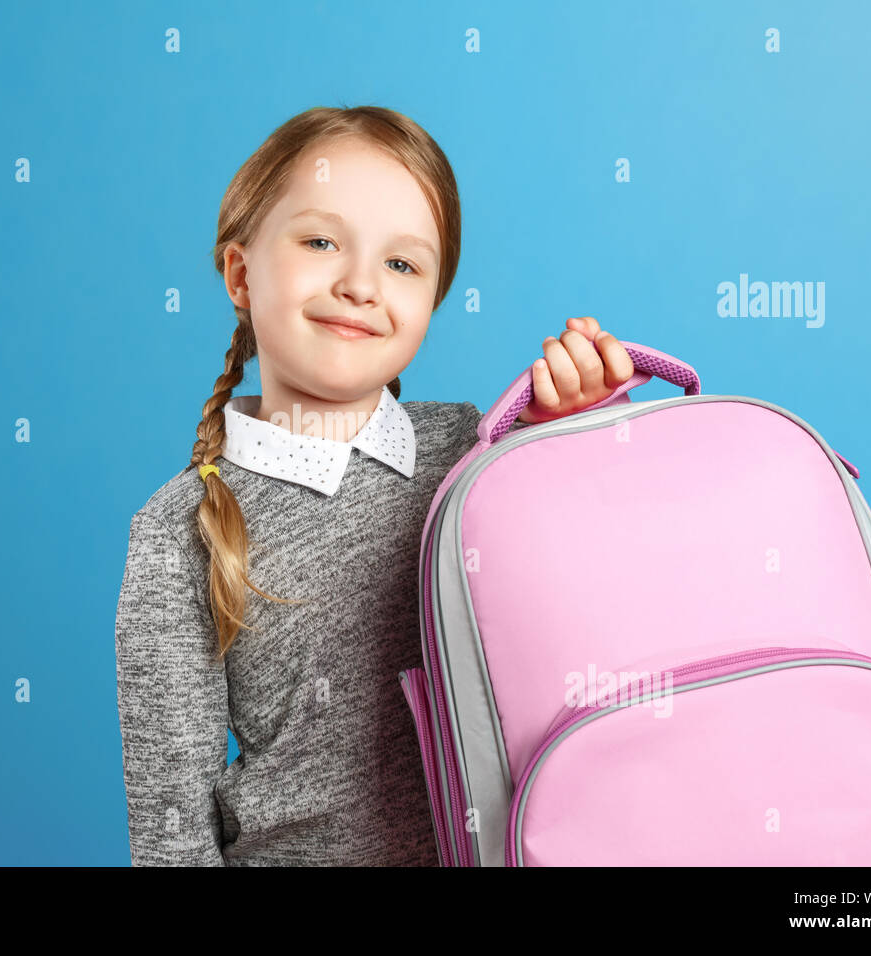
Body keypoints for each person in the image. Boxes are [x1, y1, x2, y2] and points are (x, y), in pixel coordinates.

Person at [114, 105, 635, 865]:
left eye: (402, 264)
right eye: (321, 241)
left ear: (429, 304)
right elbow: (171, 831)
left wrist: (573, 438)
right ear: (240, 273)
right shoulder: (179, 530)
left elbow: (595, 619)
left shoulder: (479, 452)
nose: (360, 284)